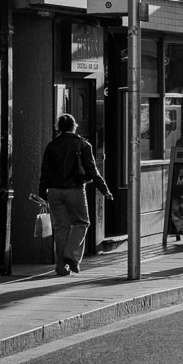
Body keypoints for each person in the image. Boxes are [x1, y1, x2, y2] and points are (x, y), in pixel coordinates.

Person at [38, 113, 113, 277]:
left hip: (54, 191)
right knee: (82, 223)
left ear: (59, 127)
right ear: (74, 126)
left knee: (60, 228)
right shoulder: (82, 144)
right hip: (74, 190)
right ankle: (70, 257)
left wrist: (42, 193)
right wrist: (104, 190)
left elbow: (44, 172)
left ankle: (61, 266)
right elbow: (92, 170)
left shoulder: (52, 145)